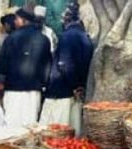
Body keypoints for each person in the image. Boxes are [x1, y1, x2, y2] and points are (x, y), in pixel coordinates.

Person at [40, 2, 93, 130]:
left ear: (65, 20)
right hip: (75, 92)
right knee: (72, 130)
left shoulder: (67, 36)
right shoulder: (86, 38)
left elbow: (64, 65)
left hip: (61, 92)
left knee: (54, 131)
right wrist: (79, 85)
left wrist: (75, 85)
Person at [0, 7, 51, 127]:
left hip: (13, 89)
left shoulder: (11, 38)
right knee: (29, 125)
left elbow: (2, 64)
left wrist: (1, 83)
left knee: (10, 124)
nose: (15, 22)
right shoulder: (44, 40)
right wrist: (43, 85)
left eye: (16, 19)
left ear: (23, 20)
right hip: (34, 91)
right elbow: (47, 66)